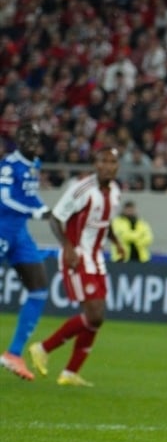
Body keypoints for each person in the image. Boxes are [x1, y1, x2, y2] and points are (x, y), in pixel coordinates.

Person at [28, 147, 123, 386]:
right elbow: (55, 217)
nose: (108, 166)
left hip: (97, 260)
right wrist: (67, 246)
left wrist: (117, 242)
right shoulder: (83, 189)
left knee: (97, 318)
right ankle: (43, 348)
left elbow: (104, 223)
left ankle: (70, 373)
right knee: (95, 314)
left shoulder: (115, 192)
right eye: (104, 161)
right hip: (78, 258)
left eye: (113, 162)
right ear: (96, 164)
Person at [0, 123, 52, 381]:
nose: (30, 140)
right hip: (1, 228)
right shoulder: (10, 164)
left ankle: (13, 353)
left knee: (40, 288)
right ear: (18, 139)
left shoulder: (35, 164)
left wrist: (47, 209)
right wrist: (35, 212)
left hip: (19, 233)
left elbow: (31, 198)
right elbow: (4, 197)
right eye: (25, 136)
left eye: (34, 135)